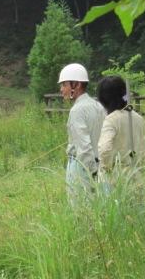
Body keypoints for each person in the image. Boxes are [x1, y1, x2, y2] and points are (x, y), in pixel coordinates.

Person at [58, 63, 106, 204]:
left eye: (64, 85)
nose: (62, 89)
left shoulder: (77, 110)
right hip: (100, 164)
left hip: (82, 167)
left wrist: (93, 173)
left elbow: (84, 148)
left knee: (80, 212)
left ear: (76, 85)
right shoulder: (98, 105)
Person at [97, 76, 145, 198]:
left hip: (114, 180)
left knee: (113, 216)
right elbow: (142, 148)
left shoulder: (111, 119)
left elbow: (104, 149)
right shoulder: (139, 119)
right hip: (136, 177)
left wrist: (107, 168)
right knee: (135, 214)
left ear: (104, 99)